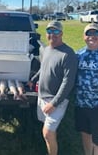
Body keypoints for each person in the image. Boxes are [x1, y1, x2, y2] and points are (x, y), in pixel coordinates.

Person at [29, 21, 78, 155]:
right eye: (50, 32)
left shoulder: (68, 54)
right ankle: (48, 148)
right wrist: (33, 80)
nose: (53, 35)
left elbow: (68, 82)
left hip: (57, 100)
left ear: (61, 33)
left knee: (48, 133)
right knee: (47, 129)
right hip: (42, 96)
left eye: (56, 32)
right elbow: (43, 69)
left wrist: (54, 103)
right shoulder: (46, 50)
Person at [74, 23, 98, 155]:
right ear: (83, 36)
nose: (92, 36)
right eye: (88, 33)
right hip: (82, 106)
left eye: (96, 33)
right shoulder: (79, 55)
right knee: (86, 137)